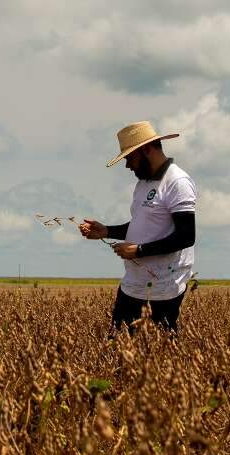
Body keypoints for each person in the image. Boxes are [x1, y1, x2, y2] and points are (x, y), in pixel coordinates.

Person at [79, 121, 196, 333]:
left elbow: (186, 236)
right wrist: (107, 231)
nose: (127, 165)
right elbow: (141, 225)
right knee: (117, 349)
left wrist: (139, 251)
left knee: (159, 356)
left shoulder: (177, 182)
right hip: (134, 285)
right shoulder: (142, 184)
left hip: (163, 288)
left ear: (146, 150)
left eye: (130, 157)